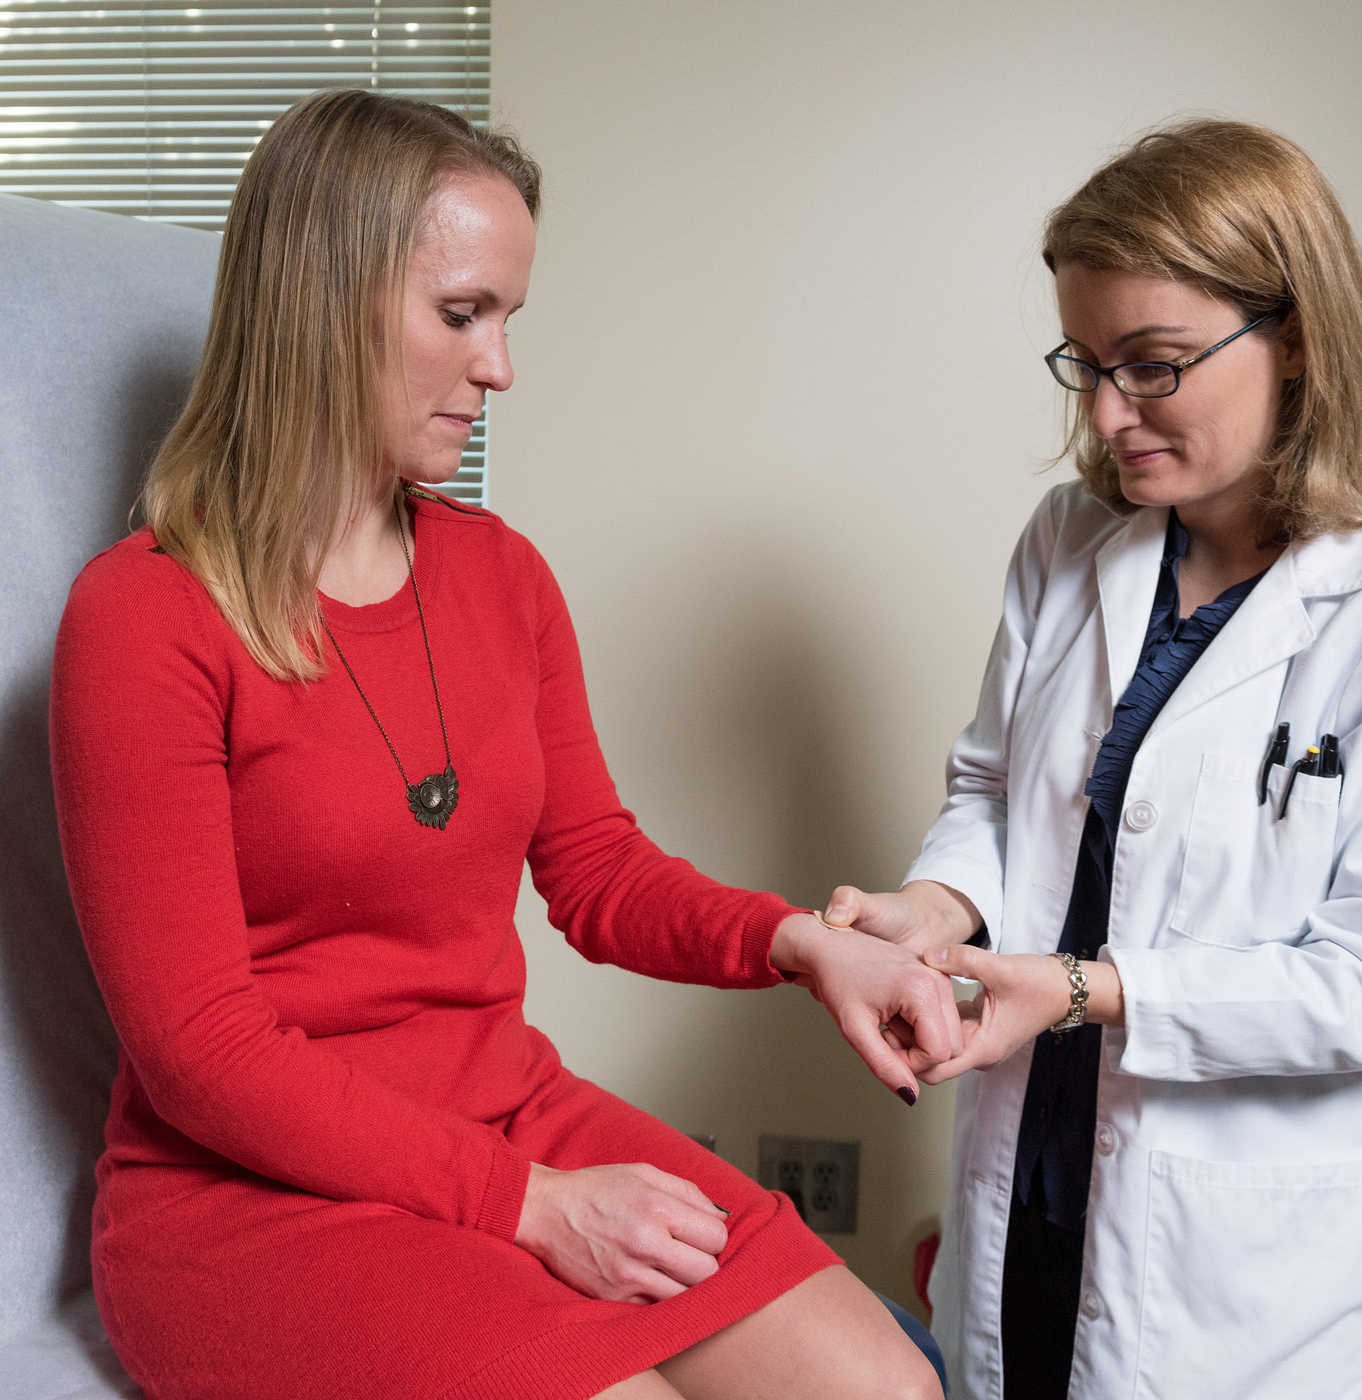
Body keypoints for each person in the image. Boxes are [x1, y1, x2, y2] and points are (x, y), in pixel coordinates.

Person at [48, 90, 950, 1400]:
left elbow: (592, 867)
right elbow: (199, 1051)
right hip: (252, 1194)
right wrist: (530, 1207)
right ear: (325, 298)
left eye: (508, 319)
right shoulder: (143, 617)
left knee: (887, 1389)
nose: (500, 369)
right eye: (462, 314)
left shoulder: (500, 576)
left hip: (500, 1109)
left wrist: (799, 942)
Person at [826, 120, 1362, 1400]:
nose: (1105, 416)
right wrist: (941, 902)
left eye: (1150, 367)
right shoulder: (1066, 539)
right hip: (1026, 1172)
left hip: (1236, 1262)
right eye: (1085, 366)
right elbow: (991, 784)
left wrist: (1093, 990)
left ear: (1297, 338)